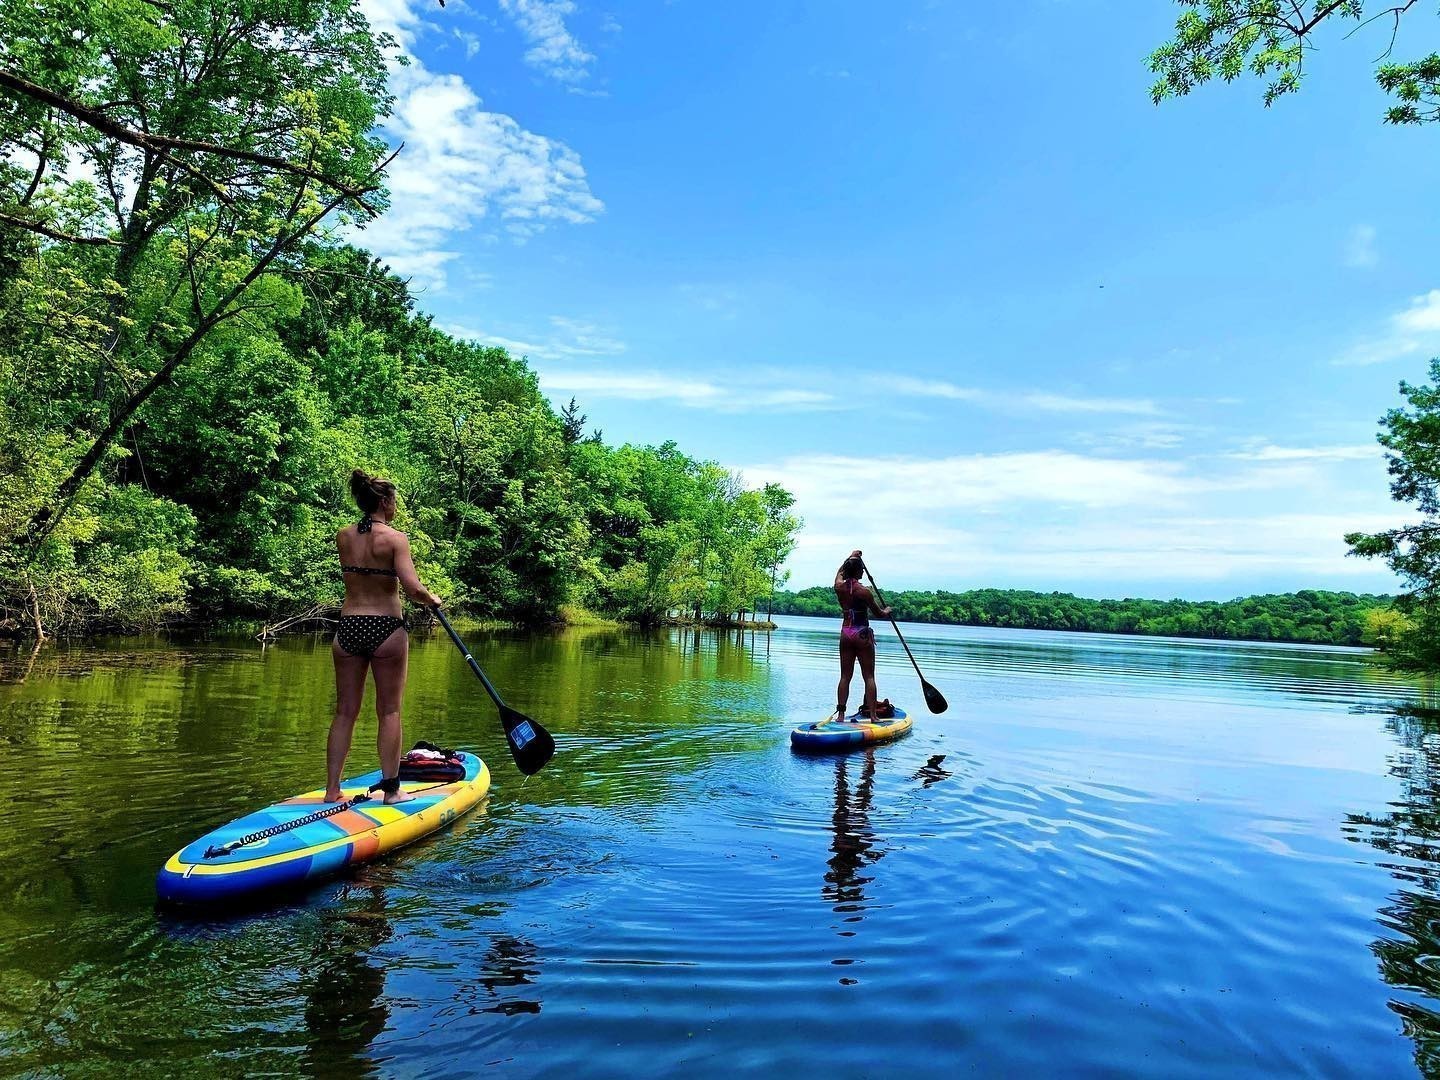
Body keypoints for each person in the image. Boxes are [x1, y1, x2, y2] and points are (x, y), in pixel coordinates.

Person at [325, 469, 442, 804]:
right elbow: (412, 587)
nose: (396, 506)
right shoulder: (395, 539)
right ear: (386, 501)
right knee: (389, 711)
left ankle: (332, 790)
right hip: (385, 628)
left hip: (348, 626)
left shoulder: (344, 535)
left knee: (345, 711)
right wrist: (431, 598)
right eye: (394, 500)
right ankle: (392, 791)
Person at [834, 549, 892, 722]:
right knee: (869, 676)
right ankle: (874, 716)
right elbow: (879, 613)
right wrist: (887, 610)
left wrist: (850, 557)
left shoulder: (838, 587)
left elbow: (839, 572)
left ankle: (841, 715)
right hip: (861, 633)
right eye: (861, 570)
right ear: (859, 572)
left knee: (845, 676)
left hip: (846, 633)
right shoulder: (864, 591)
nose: (863, 572)